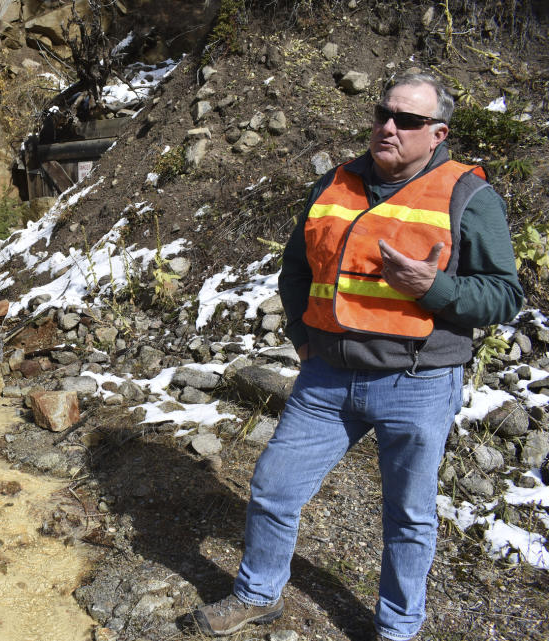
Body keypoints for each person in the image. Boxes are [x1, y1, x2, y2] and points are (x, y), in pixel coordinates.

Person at [192, 73, 524, 640]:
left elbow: (506, 296)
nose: (389, 127)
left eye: (409, 120)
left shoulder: (468, 195)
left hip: (418, 381)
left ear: (437, 132)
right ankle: (257, 594)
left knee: (409, 517)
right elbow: (296, 269)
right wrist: (302, 335)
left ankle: (397, 628)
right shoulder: (335, 182)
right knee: (273, 487)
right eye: (383, 113)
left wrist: (434, 288)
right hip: (327, 377)